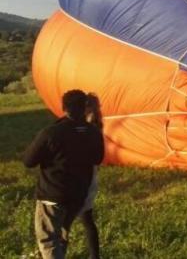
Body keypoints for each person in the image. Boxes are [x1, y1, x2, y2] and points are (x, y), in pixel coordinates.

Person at [23, 89, 105, 259]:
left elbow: (28, 161)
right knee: (61, 235)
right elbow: (97, 159)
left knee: (49, 240)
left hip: (52, 195)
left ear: (63, 107)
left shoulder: (51, 132)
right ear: (85, 107)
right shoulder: (94, 132)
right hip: (78, 195)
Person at [76, 93, 103, 259]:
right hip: (90, 175)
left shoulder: (86, 127)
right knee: (87, 218)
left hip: (81, 176)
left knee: (67, 220)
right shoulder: (96, 125)